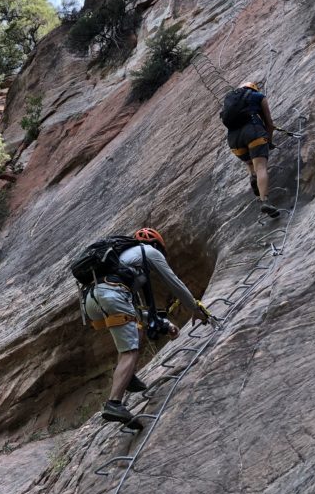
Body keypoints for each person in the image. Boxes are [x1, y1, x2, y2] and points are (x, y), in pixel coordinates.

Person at [82, 228, 211, 430]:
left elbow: (134, 310)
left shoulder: (120, 263)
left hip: (91, 300)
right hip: (112, 294)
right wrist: (194, 308)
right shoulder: (150, 252)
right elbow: (174, 283)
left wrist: (165, 323)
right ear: (157, 245)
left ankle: (128, 375)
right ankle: (114, 404)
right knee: (129, 350)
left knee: (133, 329)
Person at [223, 81, 280, 218]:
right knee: (260, 166)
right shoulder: (258, 96)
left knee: (250, 162)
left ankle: (252, 176)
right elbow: (269, 124)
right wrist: (269, 142)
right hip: (253, 132)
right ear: (254, 88)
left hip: (234, 140)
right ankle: (264, 200)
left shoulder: (231, 101)